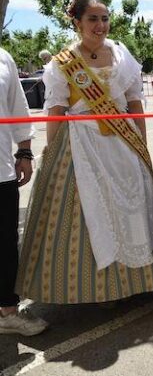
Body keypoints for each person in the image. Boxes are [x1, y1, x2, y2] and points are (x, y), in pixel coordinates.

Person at [17, 0, 153, 305]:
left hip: (123, 142)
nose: (101, 25)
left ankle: (138, 283)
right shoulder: (63, 64)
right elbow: (55, 110)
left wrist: (143, 144)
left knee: (133, 207)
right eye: (93, 19)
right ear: (77, 22)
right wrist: (50, 151)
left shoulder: (122, 55)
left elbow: (135, 104)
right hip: (81, 145)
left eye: (105, 18)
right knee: (88, 211)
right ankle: (89, 289)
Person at [0, 47, 47, 336]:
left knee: (4, 244)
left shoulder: (3, 57)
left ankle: (7, 313)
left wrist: (25, 152)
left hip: (1, 170)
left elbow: (18, 106)